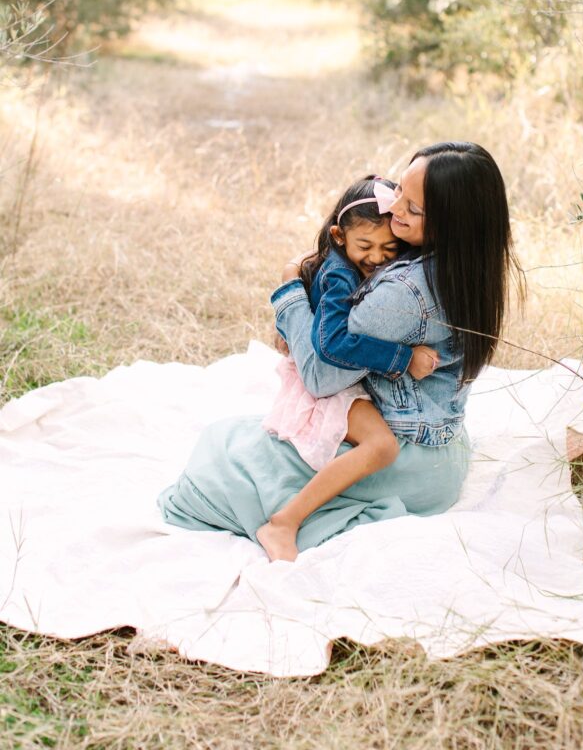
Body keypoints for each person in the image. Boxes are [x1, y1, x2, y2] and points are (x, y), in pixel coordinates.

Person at [157, 141, 522, 557]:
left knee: (216, 469)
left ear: (450, 225)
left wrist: (290, 292)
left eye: (413, 209)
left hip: (405, 462)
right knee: (237, 436)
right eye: (399, 191)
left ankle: (284, 524)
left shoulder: (403, 294)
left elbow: (319, 375)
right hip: (444, 449)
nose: (395, 209)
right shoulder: (468, 267)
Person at [256, 175, 439, 561]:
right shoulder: (339, 273)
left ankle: (288, 520)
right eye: (365, 246)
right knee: (381, 446)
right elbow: (333, 341)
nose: (376, 257)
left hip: (343, 378)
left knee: (379, 445)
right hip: (332, 381)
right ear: (339, 236)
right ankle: (284, 522)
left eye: (389, 248)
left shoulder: (362, 265)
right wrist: (403, 358)